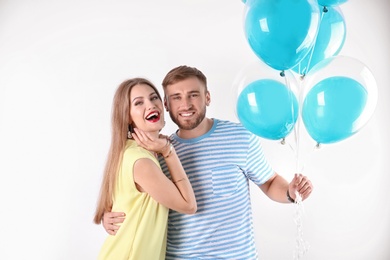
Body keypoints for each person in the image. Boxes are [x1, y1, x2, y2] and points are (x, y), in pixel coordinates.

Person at [103, 66, 313, 259]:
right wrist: (108, 216)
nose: (185, 104)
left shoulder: (240, 136)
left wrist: (290, 192)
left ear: (208, 97)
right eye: (176, 97)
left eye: (193, 95)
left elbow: (269, 181)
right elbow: (137, 200)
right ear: (166, 104)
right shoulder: (159, 152)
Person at [93, 77, 197, 260]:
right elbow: (188, 205)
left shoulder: (133, 151)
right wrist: (168, 152)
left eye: (154, 98)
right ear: (127, 115)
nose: (150, 105)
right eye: (139, 103)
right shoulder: (141, 161)